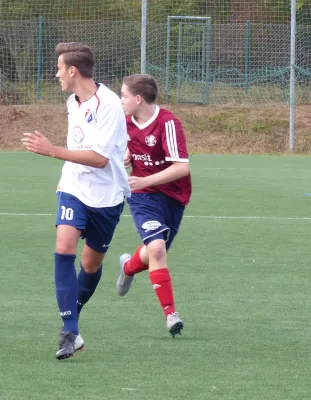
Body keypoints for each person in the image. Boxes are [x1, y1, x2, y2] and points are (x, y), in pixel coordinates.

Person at [22, 42, 130, 359]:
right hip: (74, 188)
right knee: (64, 248)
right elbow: (79, 148)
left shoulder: (109, 105)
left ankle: (74, 322)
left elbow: (98, 158)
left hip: (108, 197)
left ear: (73, 70)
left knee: (90, 265)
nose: (56, 74)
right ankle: (68, 332)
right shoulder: (73, 102)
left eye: (59, 68)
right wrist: (65, 173)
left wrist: (52, 151)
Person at [116, 74, 191, 337]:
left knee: (154, 252)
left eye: (124, 95)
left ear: (138, 99)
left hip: (173, 196)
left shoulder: (168, 123)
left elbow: (181, 168)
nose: (121, 100)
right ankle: (171, 315)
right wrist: (124, 155)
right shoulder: (123, 123)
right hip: (143, 196)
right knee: (157, 248)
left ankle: (128, 268)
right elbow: (118, 150)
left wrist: (145, 178)